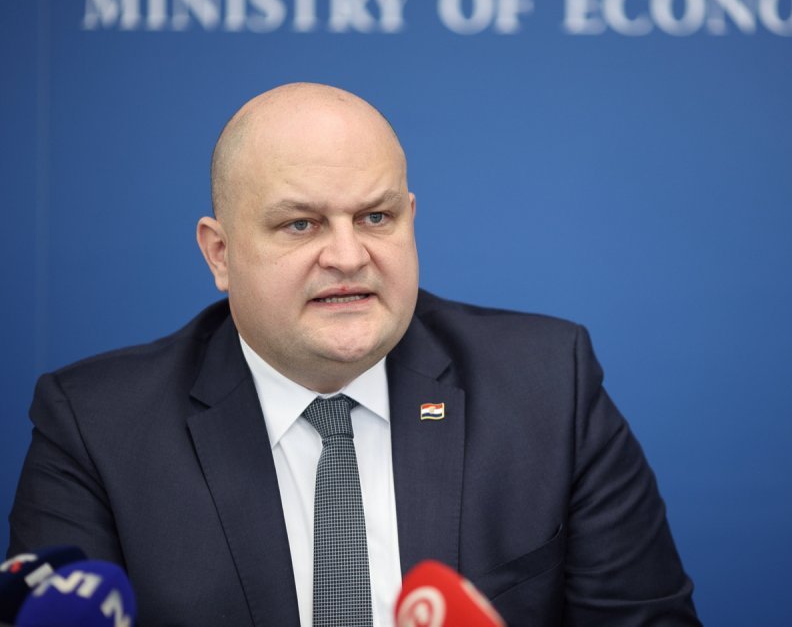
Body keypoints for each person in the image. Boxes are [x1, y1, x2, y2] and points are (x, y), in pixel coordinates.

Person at [8, 83, 700, 626]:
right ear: (220, 254)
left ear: (410, 220)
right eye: (300, 224)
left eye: (375, 217)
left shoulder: (547, 386)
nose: (347, 255)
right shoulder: (97, 427)